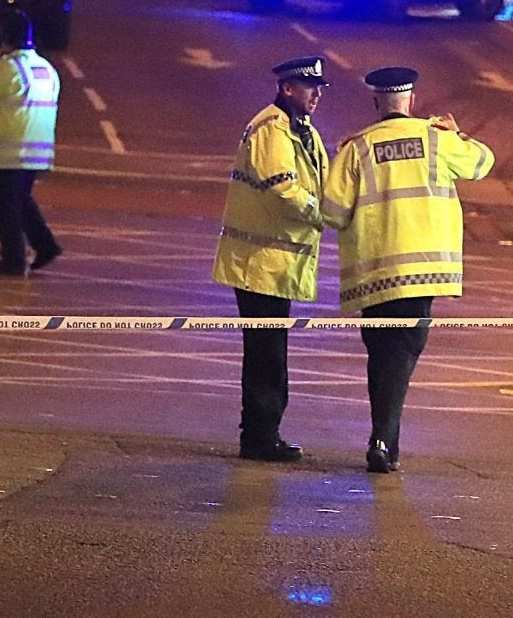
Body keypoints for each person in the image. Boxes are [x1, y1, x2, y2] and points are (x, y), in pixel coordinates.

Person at [321, 66, 495, 474]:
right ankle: (382, 441)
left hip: (375, 272)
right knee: (400, 355)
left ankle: (384, 440)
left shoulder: (357, 148)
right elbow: (482, 162)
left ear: (376, 102)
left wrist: (340, 160)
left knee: (383, 355)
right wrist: (458, 133)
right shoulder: (436, 138)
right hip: (420, 270)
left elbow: (331, 212)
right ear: (412, 101)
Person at [212, 55, 331, 462]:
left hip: (275, 263)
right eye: (310, 87)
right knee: (266, 353)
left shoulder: (303, 131)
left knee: (270, 350)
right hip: (257, 261)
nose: (317, 94)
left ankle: (264, 432)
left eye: (319, 88)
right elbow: (283, 189)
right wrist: (325, 213)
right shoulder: (271, 130)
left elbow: (319, 182)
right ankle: (260, 436)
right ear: (287, 89)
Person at [0, 10, 62, 278]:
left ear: (5, 38)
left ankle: (13, 259)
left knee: (6, 204)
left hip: (11, 147)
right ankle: (45, 245)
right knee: (21, 199)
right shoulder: (46, 68)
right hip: (38, 147)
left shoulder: (10, 68)